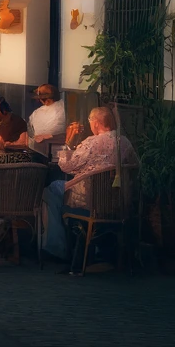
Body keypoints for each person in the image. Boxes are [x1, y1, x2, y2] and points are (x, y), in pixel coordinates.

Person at [42, 107, 140, 265]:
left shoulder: (91, 142)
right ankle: (88, 246)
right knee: (56, 189)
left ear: (96, 123)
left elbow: (67, 166)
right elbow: (135, 165)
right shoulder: (125, 142)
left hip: (87, 199)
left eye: (90, 122)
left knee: (50, 190)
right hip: (118, 202)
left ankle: (58, 247)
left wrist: (67, 143)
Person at [27, 84, 67, 153]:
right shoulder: (37, 112)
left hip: (58, 149)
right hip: (38, 149)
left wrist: (50, 136)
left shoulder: (64, 108)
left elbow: (68, 130)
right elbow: (30, 132)